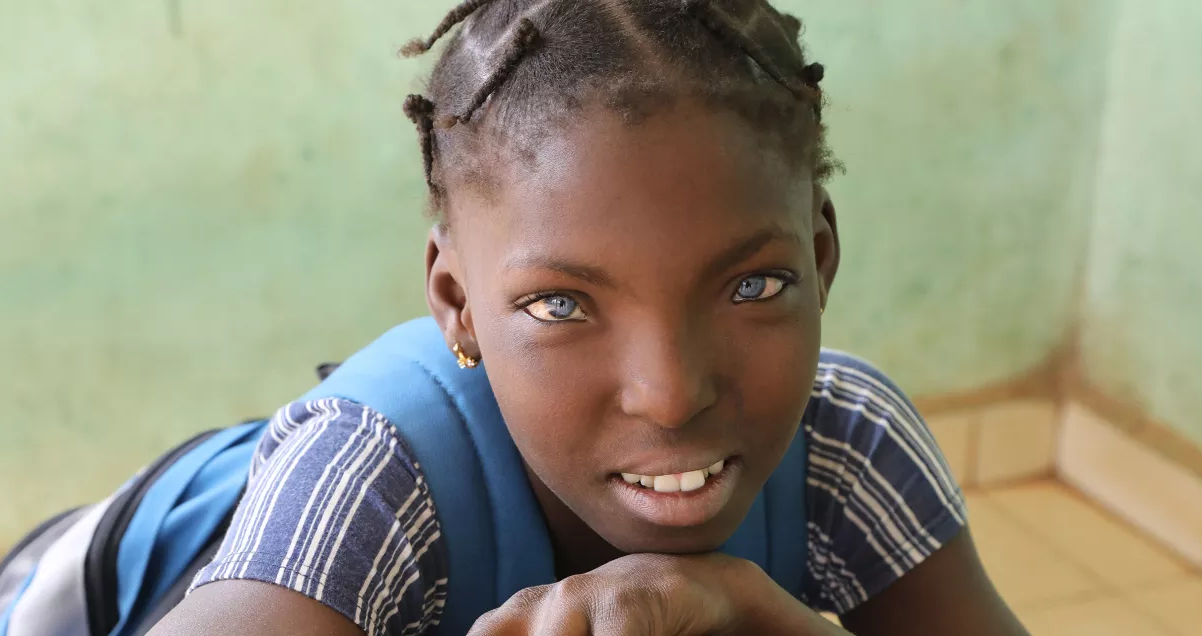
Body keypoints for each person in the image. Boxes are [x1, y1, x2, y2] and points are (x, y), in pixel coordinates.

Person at [152, 0, 1028, 634]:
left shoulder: (845, 443)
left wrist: (755, 612)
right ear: (456, 303)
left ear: (822, 258)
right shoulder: (372, 475)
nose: (671, 396)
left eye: (753, 287)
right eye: (560, 305)